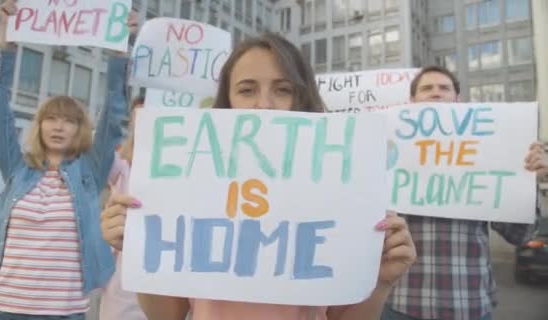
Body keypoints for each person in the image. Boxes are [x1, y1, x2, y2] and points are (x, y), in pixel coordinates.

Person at [100, 32, 417, 320]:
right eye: (247, 90)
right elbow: (167, 314)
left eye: (282, 89)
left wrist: (380, 283)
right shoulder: (189, 186)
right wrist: (139, 250)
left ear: (302, 98)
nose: (264, 104)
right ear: (228, 102)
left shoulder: (341, 189)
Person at [0, 1, 137, 319]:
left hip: (66, 312)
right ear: (40, 125)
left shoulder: (90, 172)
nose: (59, 126)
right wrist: (6, 42)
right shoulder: (18, 170)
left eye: (69, 120)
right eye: (51, 118)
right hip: (6, 308)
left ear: (80, 129)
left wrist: (120, 51)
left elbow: (115, 114)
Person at [381, 66, 546, 320]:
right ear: (411, 103)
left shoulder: (489, 153)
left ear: (458, 101)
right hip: (400, 304)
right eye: (427, 88)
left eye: (444, 88)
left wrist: (527, 181)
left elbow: (519, 235)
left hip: (470, 304)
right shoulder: (387, 153)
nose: (436, 93)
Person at [99, 97, 148, 320]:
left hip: (167, 271)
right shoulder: (122, 163)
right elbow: (101, 152)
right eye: (139, 116)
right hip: (124, 272)